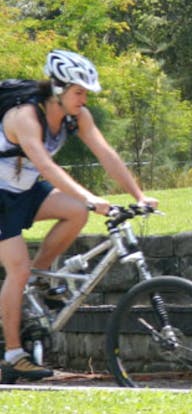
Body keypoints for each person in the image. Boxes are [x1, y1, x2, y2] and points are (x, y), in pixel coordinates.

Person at [0, 50, 158, 382]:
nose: (84, 99)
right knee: (17, 267)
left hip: (25, 189)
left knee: (75, 214)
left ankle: (41, 277)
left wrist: (139, 195)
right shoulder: (24, 117)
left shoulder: (77, 116)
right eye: (79, 92)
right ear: (58, 89)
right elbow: (45, 165)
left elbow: (106, 154)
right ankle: (14, 355)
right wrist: (90, 198)